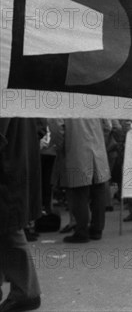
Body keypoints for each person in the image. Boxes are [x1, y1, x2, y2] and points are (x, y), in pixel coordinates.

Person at [0, 118, 42, 311]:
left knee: (9, 230)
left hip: (8, 168)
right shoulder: (19, 94)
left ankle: (26, 292)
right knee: (8, 228)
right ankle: (26, 291)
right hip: (18, 163)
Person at [49, 119, 110, 243]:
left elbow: (56, 129)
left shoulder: (63, 102)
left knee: (78, 193)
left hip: (76, 150)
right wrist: (98, 139)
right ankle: (97, 229)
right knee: (98, 191)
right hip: (97, 151)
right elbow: (108, 126)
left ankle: (81, 231)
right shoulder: (96, 101)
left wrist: (59, 146)